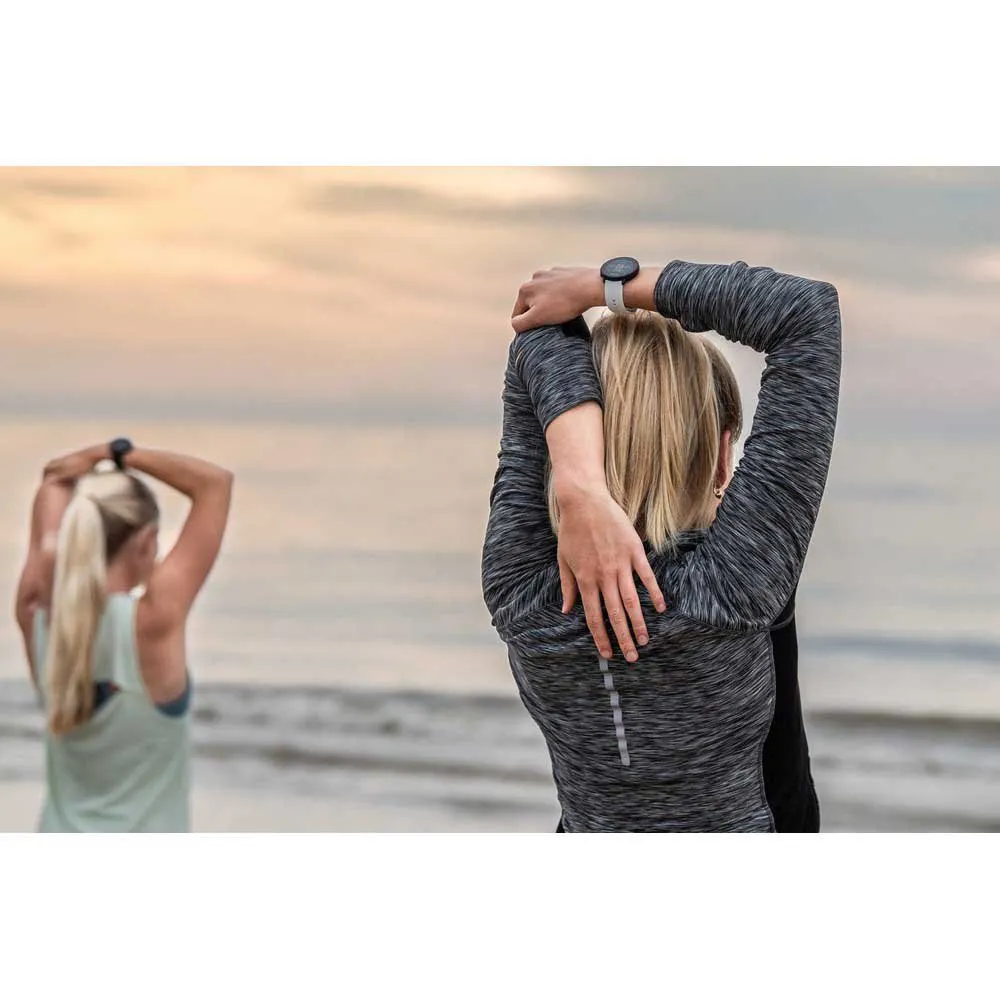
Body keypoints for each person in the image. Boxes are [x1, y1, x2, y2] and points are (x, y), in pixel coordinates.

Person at [482, 258, 841, 832]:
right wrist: (604, 287)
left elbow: (539, 331)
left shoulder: (521, 592)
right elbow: (805, 314)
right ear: (721, 454)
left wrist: (580, 484)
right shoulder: (734, 583)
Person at [14, 440, 233, 832]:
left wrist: (98, 460)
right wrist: (116, 454)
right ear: (146, 541)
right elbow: (214, 484)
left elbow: (55, 481)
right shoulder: (152, 623)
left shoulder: (37, 616)